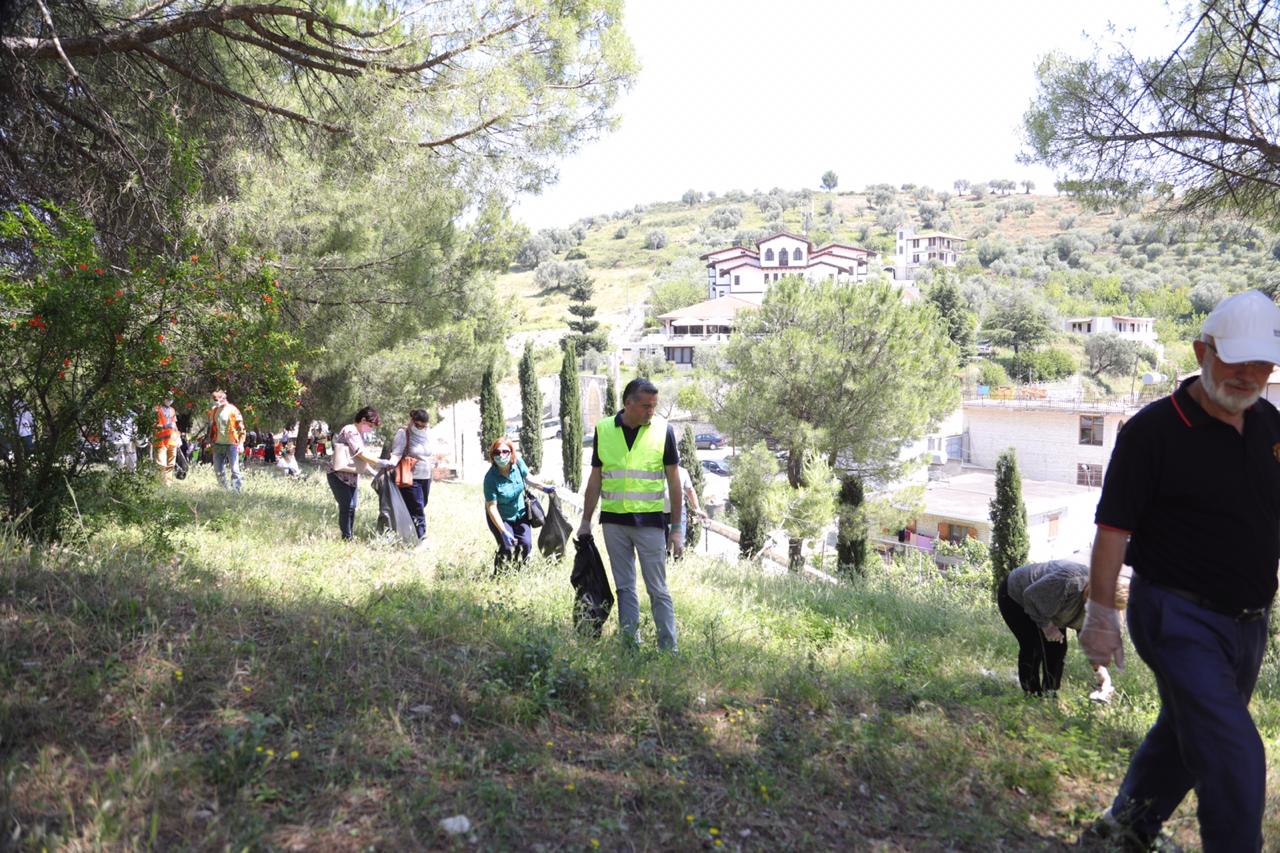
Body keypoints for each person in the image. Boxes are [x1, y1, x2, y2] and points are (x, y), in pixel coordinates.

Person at [1080, 290, 1280, 852]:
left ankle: (1124, 828)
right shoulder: (1152, 433)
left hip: (1249, 623)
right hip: (1177, 616)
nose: (1248, 376)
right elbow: (1112, 530)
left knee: (1184, 733)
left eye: (1261, 364)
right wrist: (1099, 615)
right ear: (1202, 351)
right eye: (1235, 361)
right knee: (1235, 751)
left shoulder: (1270, 427)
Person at [577, 378, 684, 652]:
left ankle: (669, 649)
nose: (652, 411)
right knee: (625, 588)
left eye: (654, 406)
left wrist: (676, 528)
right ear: (628, 404)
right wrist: (585, 522)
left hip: (650, 524)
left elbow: (674, 482)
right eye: (646, 406)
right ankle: (629, 648)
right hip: (614, 524)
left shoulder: (664, 431)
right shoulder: (603, 430)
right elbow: (595, 479)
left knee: (657, 589)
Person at [997, 559, 1127, 696]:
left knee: (1058, 648)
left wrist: (1101, 672)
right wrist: (1047, 627)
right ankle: (1031, 693)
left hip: (1051, 605)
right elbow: (1030, 597)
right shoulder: (1069, 582)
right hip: (1016, 596)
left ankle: (1049, 694)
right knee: (1034, 645)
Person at [483, 436, 555, 570]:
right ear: (492, 456)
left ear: (511, 453)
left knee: (526, 544)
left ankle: (520, 571)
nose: (501, 455)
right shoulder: (490, 479)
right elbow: (492, 507)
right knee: (507, 546)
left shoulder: (518, 464)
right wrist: (503, 531)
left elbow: (528, 478)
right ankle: (500, 575)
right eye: (497, 452)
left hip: (520, 514)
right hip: (501, 517)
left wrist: (545, 487)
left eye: (505, 451)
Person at [327, 406, 393, 540]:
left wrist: (374, 472)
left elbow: (359, 461)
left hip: (351, 477)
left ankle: (348, 536)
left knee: (352, 508)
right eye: (370, 425)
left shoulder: (359, 434)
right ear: (363, 420)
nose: (371, 429)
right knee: (347, 507)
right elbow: (361, 454)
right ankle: (346, 538)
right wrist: (381, 462)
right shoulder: (350, 431)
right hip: (338, 475)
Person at [388, 409, 436, 543]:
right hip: (410, 476)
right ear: (412, 421)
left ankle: (407, 533)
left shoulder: (428, 433)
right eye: (418, 425)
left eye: (423, 426)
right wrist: (388, 464)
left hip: (426, 476)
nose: (420, 428)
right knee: (417, 507)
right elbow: (396, 453)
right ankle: (421, 538)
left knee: (422, 504)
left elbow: (430, 453)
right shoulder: (403, 433)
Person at [202, 390, 245, 492]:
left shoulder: (233, 410)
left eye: (216, 400)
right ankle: (224, 490)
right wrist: (209, 441)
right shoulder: (214, 410)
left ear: (223, 398)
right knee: (218, 469)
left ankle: (236, 492)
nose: (214, 402)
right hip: (218, 444)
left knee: (235, 469)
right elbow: (212, 427)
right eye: (213, 400)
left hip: (231, 444)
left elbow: (241, 428)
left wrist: (241, 443)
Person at [663, 463, 706, 554]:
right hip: (660, 513)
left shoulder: (682, 472)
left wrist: (697, 508)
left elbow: (690, 490)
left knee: (679, 541)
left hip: (678, 512)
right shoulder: (658, 472)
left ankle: (678, 562)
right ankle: (667, 563)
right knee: (663, 544)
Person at [151, 397, 181, 485]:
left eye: (171, 398)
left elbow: (174, 424)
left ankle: (168, 484)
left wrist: (178, 437)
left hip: (172, 440)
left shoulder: (172, 410)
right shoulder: (156, 409)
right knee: (161, 464)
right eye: (168, 398)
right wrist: (165, 426)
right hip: (160, 440)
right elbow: (152, 424)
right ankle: (161, 483)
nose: (170, 400)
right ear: (163, 398)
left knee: (171, 464)